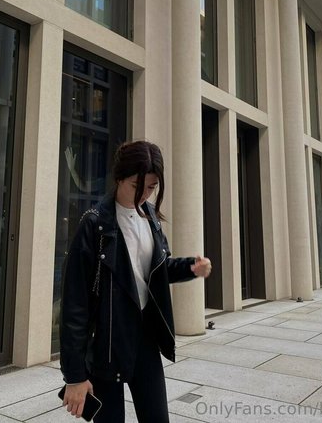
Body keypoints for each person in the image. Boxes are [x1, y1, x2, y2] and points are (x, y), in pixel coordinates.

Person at [60, 140, 212, 422]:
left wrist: (190, 267)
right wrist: (75, 376)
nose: (143, 194)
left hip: (145, 339)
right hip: (107, 345)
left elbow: (155, 271)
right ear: (119, 178)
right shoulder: (94, 224)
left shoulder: (150, 217)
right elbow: (75, 304)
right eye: (136, 185)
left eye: (151, 187)